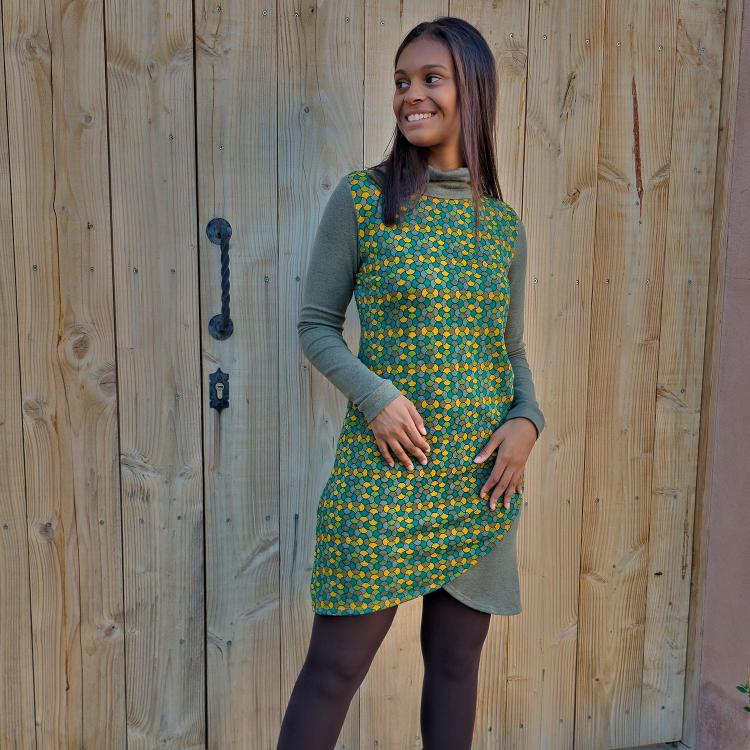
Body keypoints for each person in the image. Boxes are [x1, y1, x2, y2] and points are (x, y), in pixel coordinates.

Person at [277, 16, 545, 750]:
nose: (410, 95)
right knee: (333, 671)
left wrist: (528, 421)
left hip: (480, 481)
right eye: (401, 81)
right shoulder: (364, 200)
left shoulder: (503, 226)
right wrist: (378, 397)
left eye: (431, 79)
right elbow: (316, 326)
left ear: (473, 91)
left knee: (456, 669)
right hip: (385, 471)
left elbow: (510, 348)